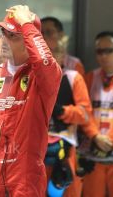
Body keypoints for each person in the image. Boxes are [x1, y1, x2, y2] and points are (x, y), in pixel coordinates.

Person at [0, 5, 62, 197]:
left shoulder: (43, 77)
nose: (4, 41)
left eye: (13, 36)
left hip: (24, 183)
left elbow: (45, 63)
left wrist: (27, 24)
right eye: (3, 33)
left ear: (28, 40)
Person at [44, 35, 97, 197]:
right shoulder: (29, 78)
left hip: (64, 150)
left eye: (56, 51)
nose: (52, 55)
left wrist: (61, 111)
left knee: (67, 191)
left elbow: (84, 114)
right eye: (48, 51)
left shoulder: (73, 77)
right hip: (34, 151)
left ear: (63, 54)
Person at [81, 31, 113, 197]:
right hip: (93, 154)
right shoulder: (89, 78)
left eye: (109, 50)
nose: (104, 56)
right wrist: (95, 136)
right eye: (100, 51)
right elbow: (83, 111)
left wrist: (110, 139)